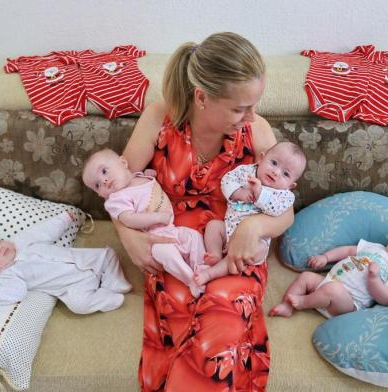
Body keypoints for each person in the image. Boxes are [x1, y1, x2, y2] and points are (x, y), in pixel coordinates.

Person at [115, 32, 294, 390]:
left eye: (253, 105)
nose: (251, 116)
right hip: (174, 246)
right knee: (182, 310)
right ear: (202, 98)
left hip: (232, 246)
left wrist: (255, 226)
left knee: (223, 325)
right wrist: (128, 237)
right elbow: (120, 187)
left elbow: (285, 210)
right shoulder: (160, 118)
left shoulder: (256, 131)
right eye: (240, 107)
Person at [82, 148, 206, 297]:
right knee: (165, 253)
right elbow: (129, 219)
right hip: (153, 240)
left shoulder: (139, 177)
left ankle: (201, 268)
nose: (104, 180)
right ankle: (190, 278)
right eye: (97, 185)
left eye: (104, 171)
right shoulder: (116, 200)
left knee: (194, 236)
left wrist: (150, 175)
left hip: (172, 230)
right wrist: (157, 217)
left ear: (123, 162)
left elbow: (149, 188)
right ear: (99, 194)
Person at [195, 141, 306, 286]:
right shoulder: (245, 172)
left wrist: (259, 193)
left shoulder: (284, 196)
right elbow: (227, 181)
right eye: (274, 163)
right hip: (228, 228)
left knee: (258, 250)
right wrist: (239, 192)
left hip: (253, 242)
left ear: (290, 185)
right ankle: (215, 253)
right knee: (213, 226)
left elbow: (276, 210)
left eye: (286, 174)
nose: (276, 172)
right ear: (261, 158)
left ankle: (212, 273)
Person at [0, 211, 131, 314]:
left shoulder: (20, 241)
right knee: (78, 305)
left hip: (82, 259)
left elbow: (44, 231)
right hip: (73, 284)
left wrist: (64, 219)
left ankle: (114, 282)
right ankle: (109, 298)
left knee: (107, 255)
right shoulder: (7, 277)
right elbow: (16, 293)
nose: (0, 248)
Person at [269, 239, 388, 319]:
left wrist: (374, 279)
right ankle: (287, 306)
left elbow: (384, 299)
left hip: (348, 303)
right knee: (306, 277)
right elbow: (347, 250)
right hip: (329, 281)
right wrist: (326, 257)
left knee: (333, 289)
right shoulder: (373, 247)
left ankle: (302, 302)